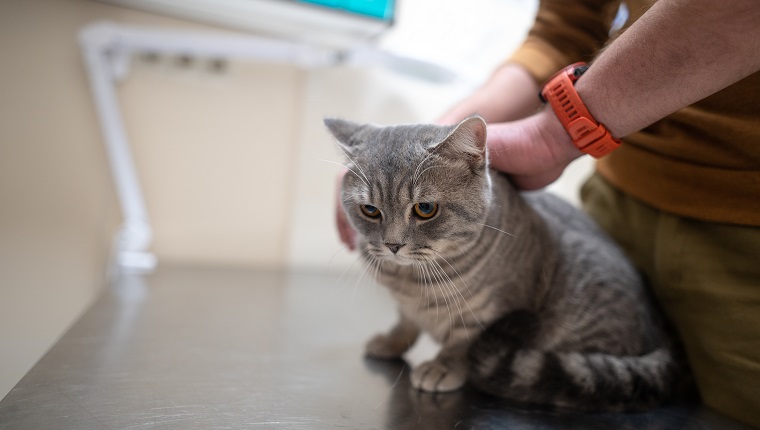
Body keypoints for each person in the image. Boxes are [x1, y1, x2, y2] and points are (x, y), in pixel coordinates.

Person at [335, 0, 760, 426]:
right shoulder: (399, 231)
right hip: (621, 191)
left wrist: (554, 135)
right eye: (371, 211)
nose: (391, 240)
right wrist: (412, 152)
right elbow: (564, 28)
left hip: (744, 221)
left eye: (423, 209)